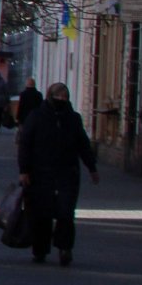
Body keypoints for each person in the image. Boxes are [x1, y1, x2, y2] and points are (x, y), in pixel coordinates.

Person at [17, 81, 99, 265]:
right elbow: (25, 145)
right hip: (40, 173)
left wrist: (91, 167)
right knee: (41, 214)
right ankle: (40, 250)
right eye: (58, 97)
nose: (62, 100)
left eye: (65, 97)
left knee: (66, 212)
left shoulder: (73, 118)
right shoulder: (37, 116)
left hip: (67, 172)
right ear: (50, 97)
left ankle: (65, 248)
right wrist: (24, 171)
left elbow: (83, 144)